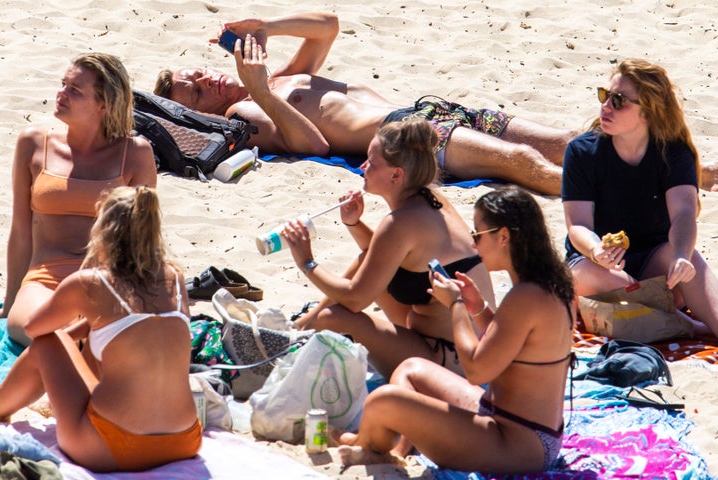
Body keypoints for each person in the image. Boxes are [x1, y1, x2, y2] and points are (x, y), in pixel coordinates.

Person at [153, 12, 579, 196]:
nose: (206, 78)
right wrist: (260, 91)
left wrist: (266, 27)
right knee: (523, 161)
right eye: (195, 91)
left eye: (197, 73)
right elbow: (315, 147)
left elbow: (327, 28)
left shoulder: (280, 77)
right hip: (408, 136)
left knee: (568, 140)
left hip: (433, 110)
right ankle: (613, 194)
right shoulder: (242, 114)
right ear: (199, 112)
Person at [337, 186, 575, 474]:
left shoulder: (525, 296)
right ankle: (396, 450)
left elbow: (476, 370)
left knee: (382, 401)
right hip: (525, 430)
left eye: (478, 235)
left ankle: (373, 447)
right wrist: (479, 308)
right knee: (412, 367)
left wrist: (456, 305)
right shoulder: (548, 284)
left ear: (503, 237)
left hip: (517, 443)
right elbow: (512, 344)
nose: (474, 245)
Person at [0, 186, 201, 472]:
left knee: (47, 342)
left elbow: (34, 328)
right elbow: (136, 324)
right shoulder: (174, 279)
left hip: (112, 448)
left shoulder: (90, 283)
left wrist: (84, 318)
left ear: (104, 230)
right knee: (103, 338)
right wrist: (91, 323)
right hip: (185, 441)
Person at [281, 118, 494, 379]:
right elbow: (382, 254)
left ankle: (300, 333)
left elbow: (355, 299)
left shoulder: (400, 222)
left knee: (332, 318)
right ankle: (301, 328)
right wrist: (354, 223)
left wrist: (307, 262)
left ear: (396, 175)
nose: (362, 167)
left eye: (371, 162)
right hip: (463, 343)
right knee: (365, 260)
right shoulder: (432, 200)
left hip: (452, 361)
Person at [3, 52, 158, 346]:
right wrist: (11, 301)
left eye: (74, 90)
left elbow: (142, 239)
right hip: (45, 279)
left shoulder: (135, 154)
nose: (61, 94)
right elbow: (21, 231)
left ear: (103, 104)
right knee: (32, 329)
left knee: (106, 335)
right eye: (63, 85)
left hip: (106, 278)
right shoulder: (33, 143)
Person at [562, 58, 718, 337]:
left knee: (688, 259)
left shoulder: (673, 152)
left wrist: (681, 255)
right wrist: (597, 250)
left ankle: (665, 316)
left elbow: (683, 213)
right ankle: (688, 326)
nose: (606, 106)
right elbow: (578, 226)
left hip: (652, 263)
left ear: (648, 112)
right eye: (604, 95)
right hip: (596, 265)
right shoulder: (582, 152)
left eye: (619, 100)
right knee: (589, 276)